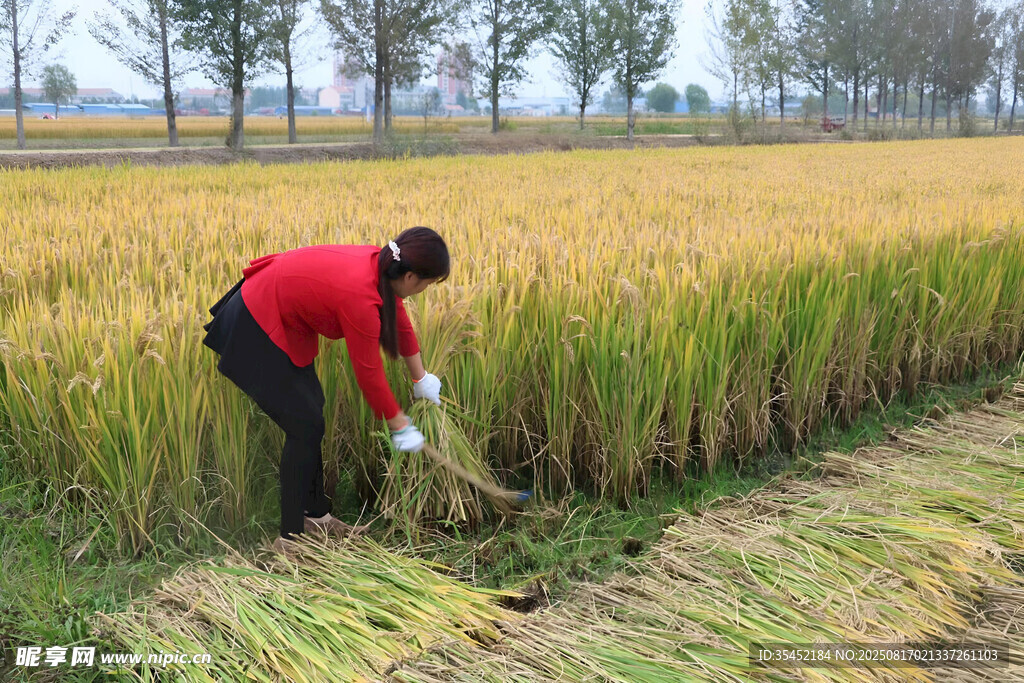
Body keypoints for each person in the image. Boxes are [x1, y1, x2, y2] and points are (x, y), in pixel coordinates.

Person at [201, 227, 449, 553]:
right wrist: (399, 424)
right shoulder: (359, 296)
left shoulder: (382, 267)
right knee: (304, 425)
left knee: (311, 411)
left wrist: (421, 379)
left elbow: (397, 317)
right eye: (427, 284)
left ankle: (315, 518)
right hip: (257, 318)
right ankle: (288, 539)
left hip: (286, 316)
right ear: (411, 276)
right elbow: (369, 376)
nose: (425, 290)